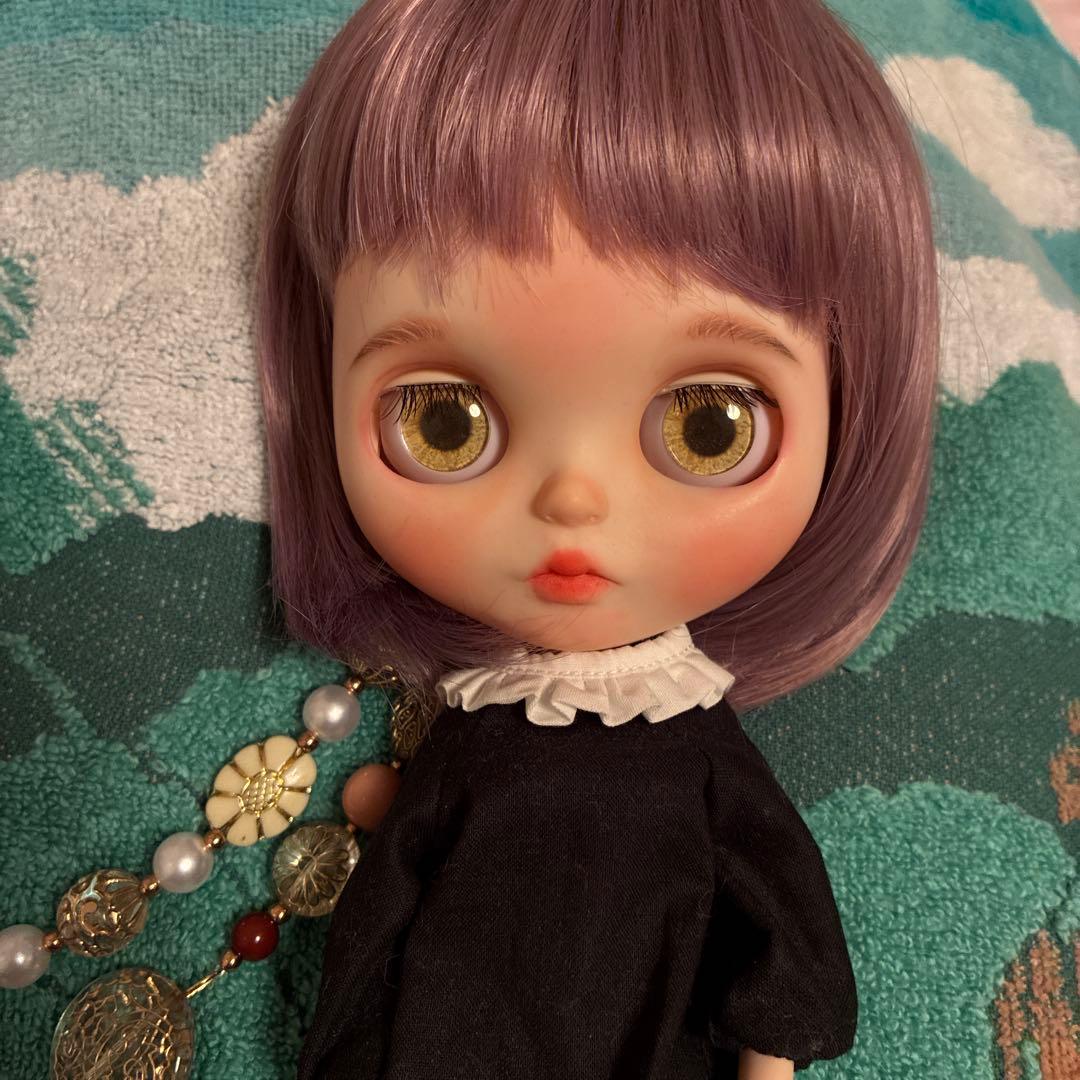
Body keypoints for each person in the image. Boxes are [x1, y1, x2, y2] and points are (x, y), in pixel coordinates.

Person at [254, 1, 940, 1075]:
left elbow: (779, 916)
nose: (573, 501)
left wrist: (770, 1055)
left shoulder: (695, 754)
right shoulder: (475, 739)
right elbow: (384, 916)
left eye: (709, 426)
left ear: (853, 408)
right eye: (445, 422)